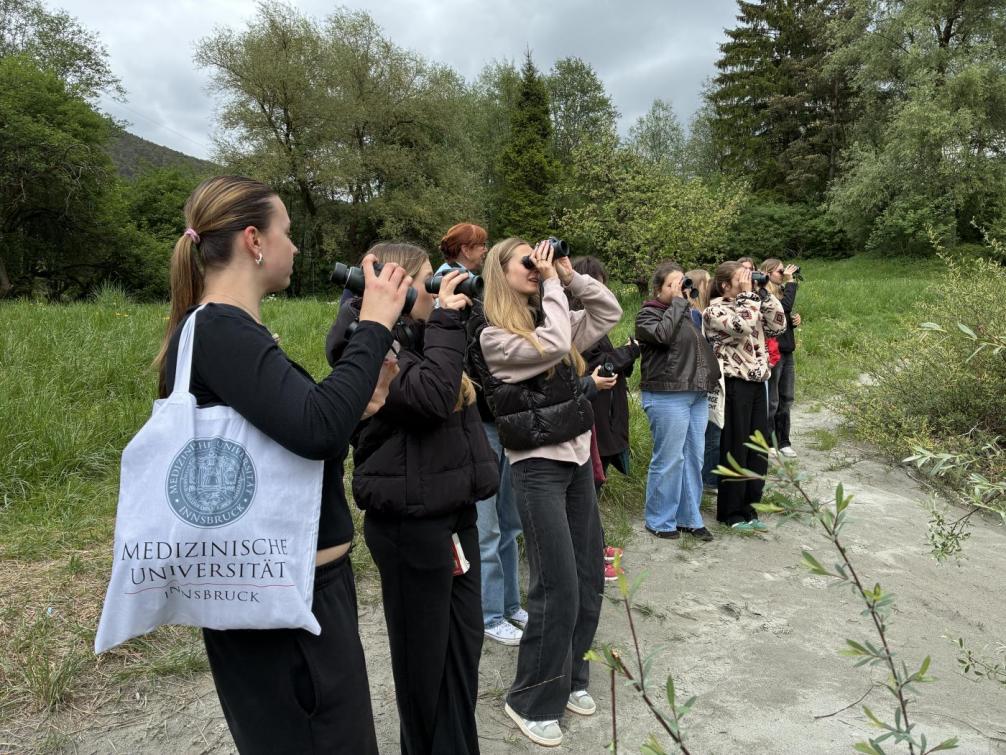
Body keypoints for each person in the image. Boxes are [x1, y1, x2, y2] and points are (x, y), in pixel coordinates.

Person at [156, 176, 411, 754]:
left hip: (279, 593)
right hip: (280, 604)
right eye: (287, 233)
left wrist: (358, 402)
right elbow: (316, 429)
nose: (294, 247)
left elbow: (300, 436)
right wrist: (374, 323)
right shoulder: (221, 329)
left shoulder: (226, 333)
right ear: (254, 241)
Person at [327, 243, 498, 755]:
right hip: (409, 525)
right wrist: (446, 322)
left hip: (453, 513)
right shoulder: (360, 340)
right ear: (396, 288)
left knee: (462, 656)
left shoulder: (425, 334)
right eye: (427, 280)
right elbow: (428, 399)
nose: (436, 289)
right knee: (424, 667)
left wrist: (454, 318)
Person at [468, 238, 621, 747]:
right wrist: (554, 284)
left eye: (538, 263)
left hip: (576, 460)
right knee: (556, 586)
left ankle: (570, 676)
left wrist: (568, 276)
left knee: (588, 577)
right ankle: (530, 698)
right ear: (500, 272)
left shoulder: (549, 316)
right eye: (526, 264)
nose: (536, 270)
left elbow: (608, 309)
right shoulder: (495, 338)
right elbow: (555, 345)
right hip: (537, 467)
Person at [442, 223, 527, 647]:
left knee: (510, 524)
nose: (482, 250)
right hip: (484, 427)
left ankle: (510, 603)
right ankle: (489, 612)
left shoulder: (511, 309)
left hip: (508, 425)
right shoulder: (467, 305)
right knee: (488, 526)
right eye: (478, 245)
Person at [635, 261, 720, 542]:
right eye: (672, 283)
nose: (680, 287)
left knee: (693, 458)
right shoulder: (647, 314)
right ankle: (659, 519)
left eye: (682, 282)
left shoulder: (687, 314)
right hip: (666, 394)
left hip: (695, 394)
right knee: (669, 459)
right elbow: (662, 336)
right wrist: (677, 303)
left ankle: (688, 516)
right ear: (658, 289)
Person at [568, 256, 640, 579]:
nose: (603, 288)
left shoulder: (590, 320)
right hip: (592, 409)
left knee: (595, 484)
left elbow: (611, 359)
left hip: (607, 410)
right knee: (588, 488)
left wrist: (624, 356)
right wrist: (630, 352)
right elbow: (597, 360)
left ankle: (594, 547)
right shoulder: (574, 322)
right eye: (595, 282)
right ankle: (590, 554)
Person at [703, 261, 786, 532]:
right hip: (734, 385)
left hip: (757, 383)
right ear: (725, 284)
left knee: (757, 449)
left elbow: (778, 325)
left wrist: (764, 293)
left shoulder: (752, 301)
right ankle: (731, 512)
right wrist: (748, 295)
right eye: (741, 277)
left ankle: (751, 507)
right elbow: (743, 326)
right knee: (736, 448)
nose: (747, 281)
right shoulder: (714, 310)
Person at [759, 258, 801, 457]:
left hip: (787, 350)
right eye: (779, 271)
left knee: (787, 397)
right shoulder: (763, 294)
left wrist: (794, 322)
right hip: (773, 352)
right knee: (773, 399)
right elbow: (783, 308)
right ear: (767, 272)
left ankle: (784, 441)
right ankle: (769, 441)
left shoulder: (781, 292)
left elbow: (784, 316)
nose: (783, 274)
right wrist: (791, 282)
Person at [684, 269, 722, 493]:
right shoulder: (695, 315)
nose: (711, 285)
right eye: (707, 282)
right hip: (700, 379)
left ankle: (706, 476)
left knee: (709, 428)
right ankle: (707, 478)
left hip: (703, 377)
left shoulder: (703, 312)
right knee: (709, 429)